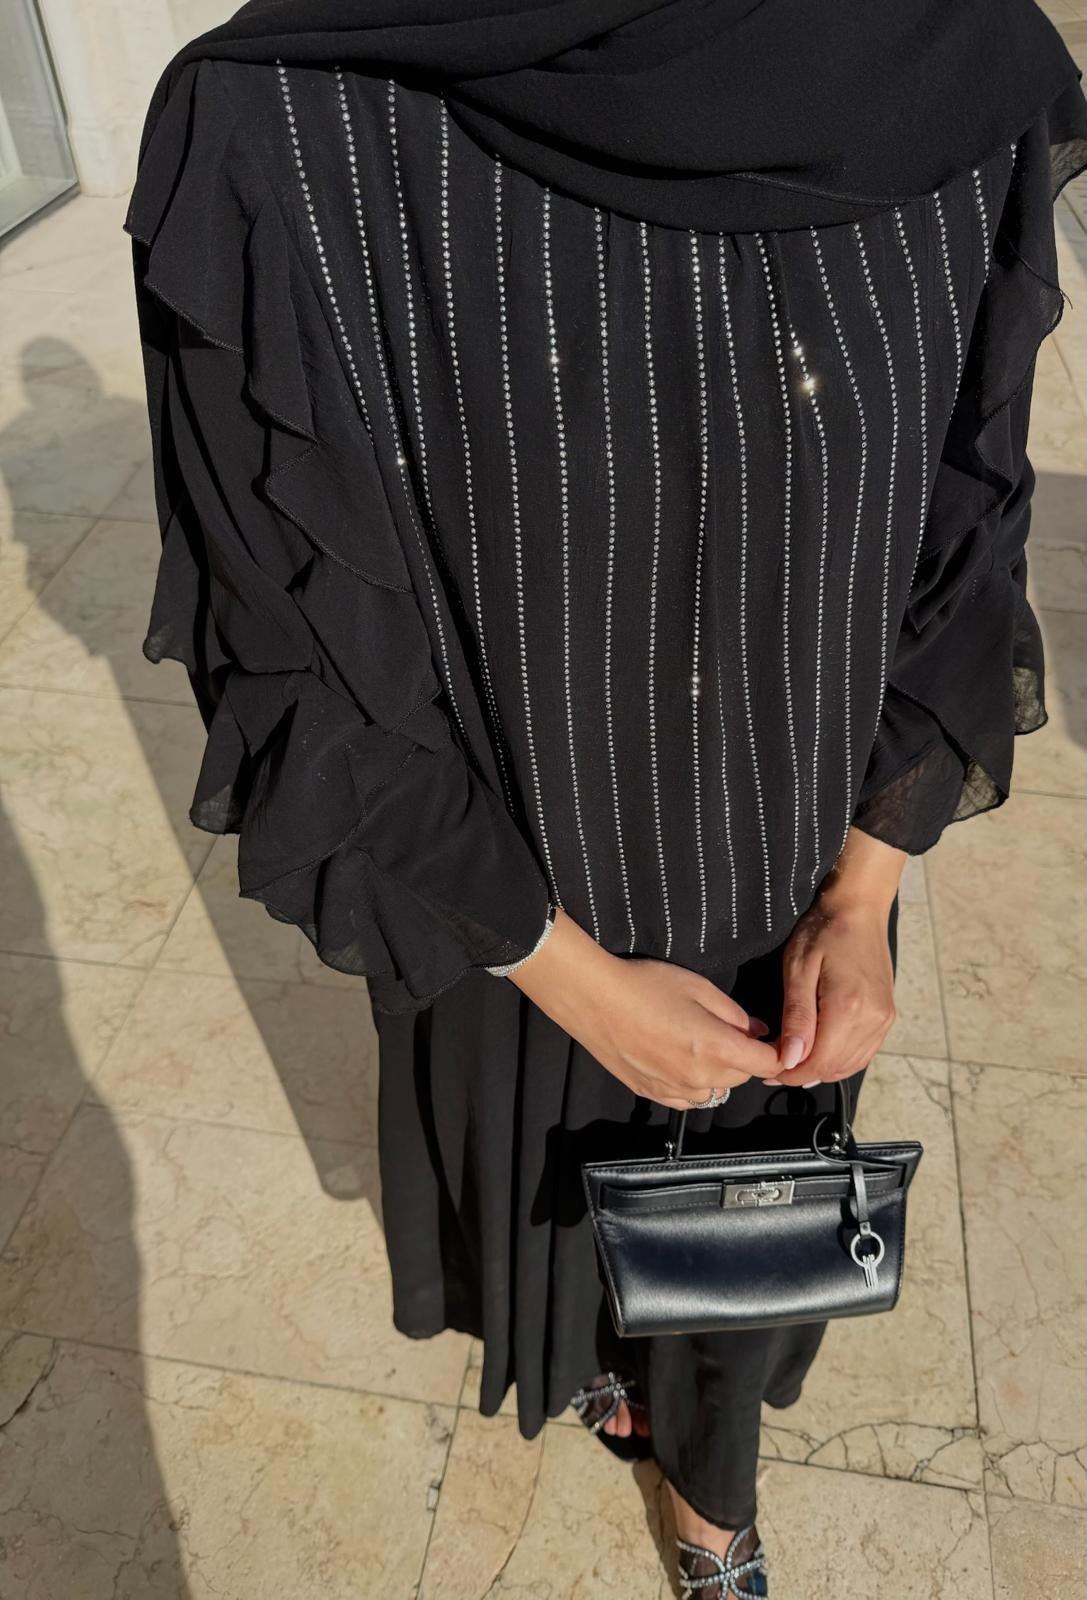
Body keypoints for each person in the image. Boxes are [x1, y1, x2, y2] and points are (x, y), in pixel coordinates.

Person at [126, 3, 1087, 1592]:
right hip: (499, 904)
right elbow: (300, 652)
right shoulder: (290, 119)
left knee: (734, 1255)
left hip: (792, 902)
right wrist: (565, 971)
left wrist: (866, 887)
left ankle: (711, 1495)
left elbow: (961, 526)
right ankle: (595, 1367)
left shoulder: (951, 74)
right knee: (553, 1222)